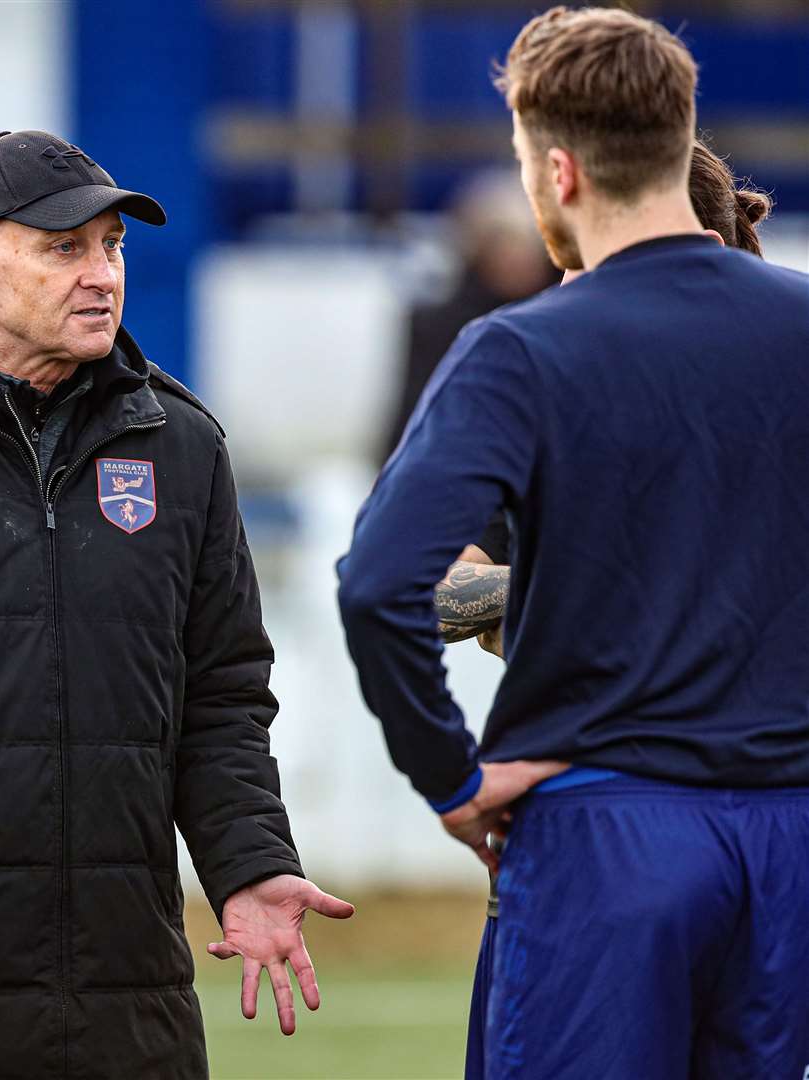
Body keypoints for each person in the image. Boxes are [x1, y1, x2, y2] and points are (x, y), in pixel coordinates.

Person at [337, 7, 809, 1078]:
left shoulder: (518, 350)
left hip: (606, 832)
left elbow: (378, 586)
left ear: (554, 171)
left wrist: (450, 781)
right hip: (794, 838)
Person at [0, 129, 353, 1079]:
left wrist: (247, 862)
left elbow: (223, 692)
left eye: (111, 246)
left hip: (128, 998)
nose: (100, 274)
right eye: (63, 248)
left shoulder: (180, 444)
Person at [429, 138, 776, 1080]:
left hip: (662, 827)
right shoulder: (557, 380)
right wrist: (568, 604)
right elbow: (435, 584)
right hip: (620, 813)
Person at [377, 170, 556, 467]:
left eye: (524, 246)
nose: (514, 260)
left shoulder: (565, 323)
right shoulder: (437, 327)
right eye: (502, 245)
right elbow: (409, 429)